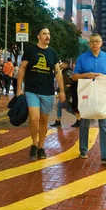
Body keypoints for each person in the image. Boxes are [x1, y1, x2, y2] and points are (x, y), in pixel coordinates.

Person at [16, 27, 66, 160]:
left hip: (48, 91)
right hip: (32, 90)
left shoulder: (53, 53)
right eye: (44, 33)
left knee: (44, 120)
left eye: (49, 34)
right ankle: (33, 144)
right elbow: (22, 68)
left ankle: (41, 146)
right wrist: (19, 89)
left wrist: (61, 90)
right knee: (34, 118)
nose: (47, 36)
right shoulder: (30, 51)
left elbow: (58, 72)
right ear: (39, 36)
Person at [72, 33, 106, 163]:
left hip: (102, 95)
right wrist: (86, 74)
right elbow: (74, 76)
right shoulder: (82, 58)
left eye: (97, 41)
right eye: (92, 41)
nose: (95, 44)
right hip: (87, 94)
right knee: (85, 122)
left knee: (104, 122)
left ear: (101, 43)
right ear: (89, 43)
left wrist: (103, 76)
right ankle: (83, 150)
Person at [50, 60, 74, 127]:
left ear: (66, 64)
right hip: (64, 92)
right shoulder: (64, 72)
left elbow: (70, 83)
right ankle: (58, 121)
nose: (60, 64)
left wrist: (62, 90)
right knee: (60, 106)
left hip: (67, 93)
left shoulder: (68, 72)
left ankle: (81, 118)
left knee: (68, 107)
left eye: (62, 63)